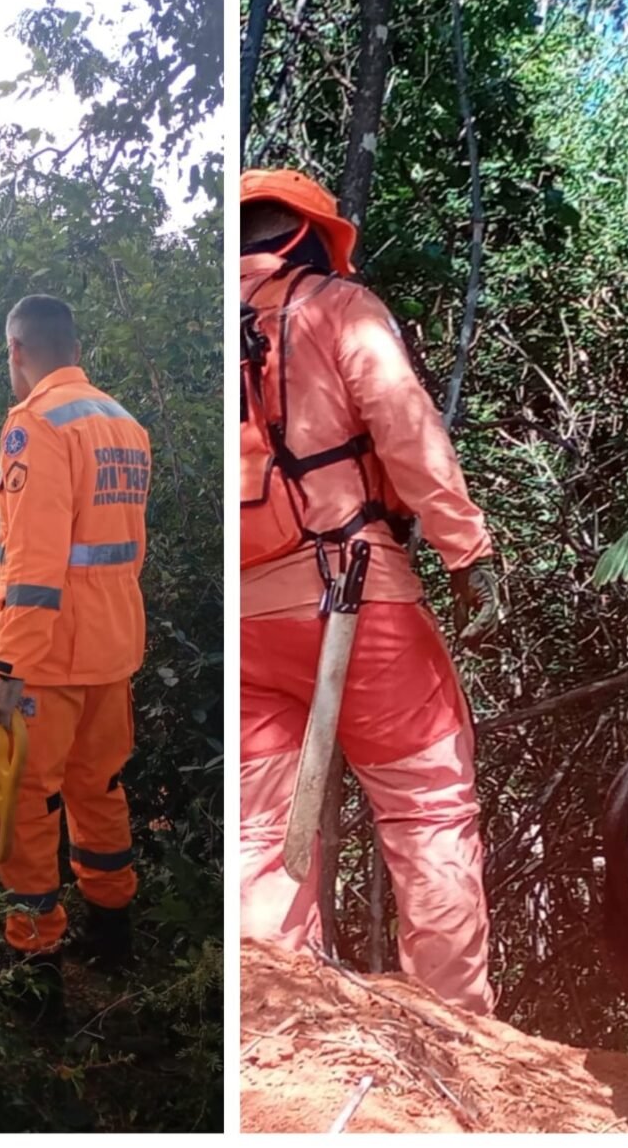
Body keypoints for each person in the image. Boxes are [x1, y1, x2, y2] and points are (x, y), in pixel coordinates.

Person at [239, 168, 502, 1015]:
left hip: (244, 621)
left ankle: (276, 1026)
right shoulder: (336, 307)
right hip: (350, 588)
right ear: (310, 235)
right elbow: (403, 421)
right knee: (428, 806)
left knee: (261, 834)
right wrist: (467, 551)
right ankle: (456, 1029)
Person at [0, 294, 151, 989]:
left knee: (27, 801)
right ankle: (114, 934)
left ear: (17, 350)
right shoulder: (123, 423)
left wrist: (9, 665)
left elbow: (34, 565)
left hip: (49, 657)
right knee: (99, 787)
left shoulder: (38, 425)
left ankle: (35, 958)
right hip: (112, 648)